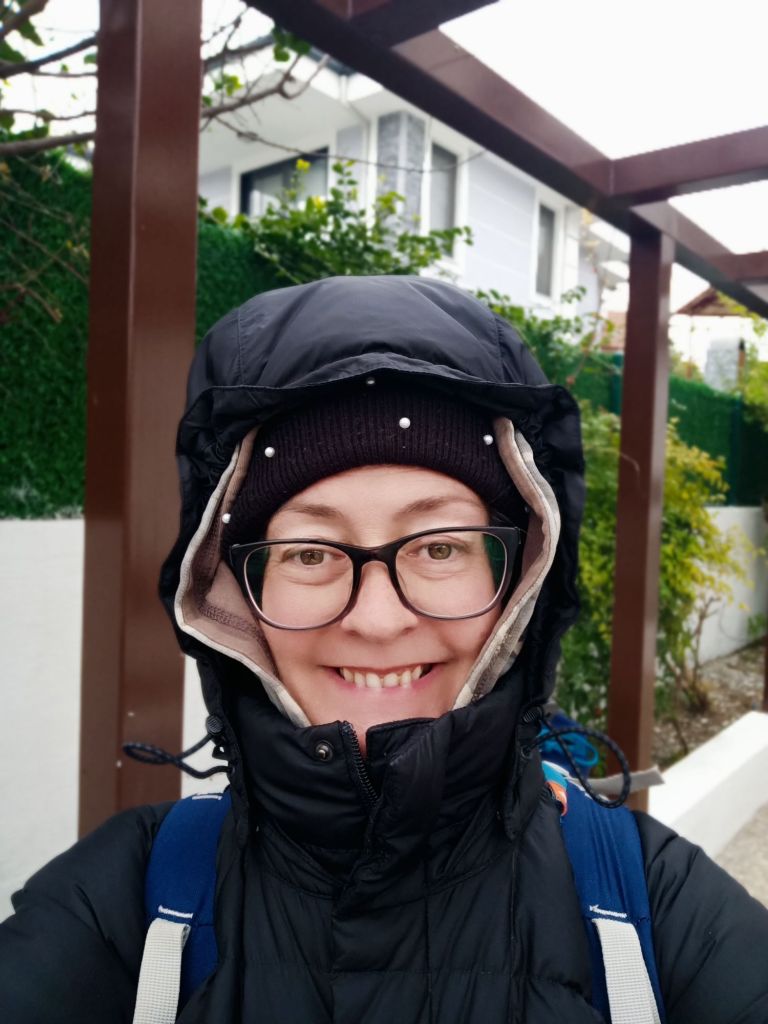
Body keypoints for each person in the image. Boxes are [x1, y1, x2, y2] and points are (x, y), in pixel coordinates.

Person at [2, 275, 767, 1023]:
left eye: (439, 547)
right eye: (309, 552)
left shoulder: (649, 909)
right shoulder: (128, 906)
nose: (376, 619)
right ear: (235, 596)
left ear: (519, 581)